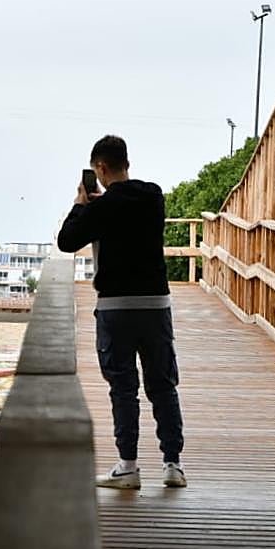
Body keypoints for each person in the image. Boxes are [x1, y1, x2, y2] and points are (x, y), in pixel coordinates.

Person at [56, 135, 186, 489]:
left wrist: (82, 205)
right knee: (163, 384)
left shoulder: (100, 209)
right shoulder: (154, 195)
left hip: (116, 308)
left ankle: (128, 467)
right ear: (126, 162)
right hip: (156, 305)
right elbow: (126, 205)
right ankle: (173, 464)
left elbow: (66, 241)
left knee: (123, 388)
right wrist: (102, 203)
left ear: (99, 168)